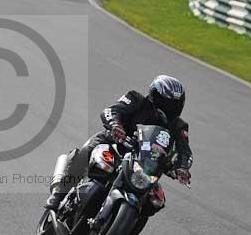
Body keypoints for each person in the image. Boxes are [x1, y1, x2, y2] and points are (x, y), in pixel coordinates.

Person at [45, 75, 193, 211]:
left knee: (154, 201)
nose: (169, 108)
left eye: (174, 104)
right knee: (87, 151)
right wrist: (116, 126)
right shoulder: (135, 99)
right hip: (116, 144)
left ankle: (125, 230)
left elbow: (185, 151)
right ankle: (59, 194)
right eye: (166, 102)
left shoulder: (179, 126)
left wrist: (183, 168)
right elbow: (111, 110)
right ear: (154, 96)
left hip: (145, 166)